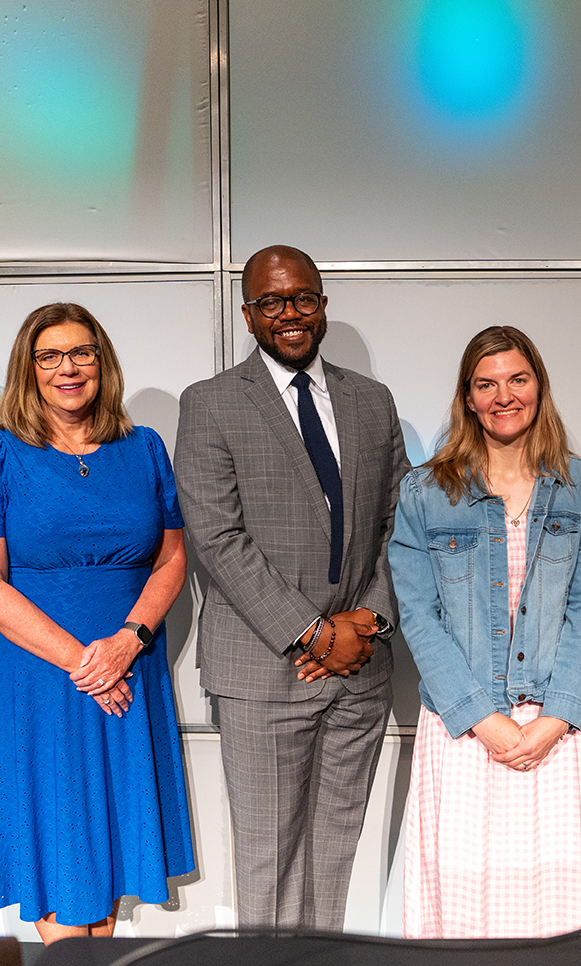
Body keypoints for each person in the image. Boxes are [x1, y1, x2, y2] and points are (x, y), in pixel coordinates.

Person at [175, 245, 408, 930]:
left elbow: (404, 521)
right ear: (247, 313)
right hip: (262, 669)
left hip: (360, 667)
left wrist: (365, 621)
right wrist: (313, 632)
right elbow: (217, 538)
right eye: (270, 302)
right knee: (267, 857)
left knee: (335, 857)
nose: (289, 313)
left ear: (323, 304)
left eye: (302, 297)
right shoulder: (211, 403)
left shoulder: (371, 401)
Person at [0, 302, 194, 943]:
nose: (68, 368)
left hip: (128, 664)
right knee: (61, 846)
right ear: (28, 370)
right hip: (42, 674)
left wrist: (127, 641)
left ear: (102, 362)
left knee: (108, 846)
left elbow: (172, 559)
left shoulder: (144, 447)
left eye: (82, 353)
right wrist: (84, 662)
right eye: (50, 356)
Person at [390, 325, 581, 937]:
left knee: (555, 905)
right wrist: (483, 719)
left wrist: (554, 719)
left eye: (517, 379)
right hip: (463, 727)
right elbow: (419, 614)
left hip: (553, 727)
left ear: (539, 387)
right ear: (467, 396)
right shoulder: (425, 492)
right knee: (460, 906)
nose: (502, 395)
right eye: (486, 384)